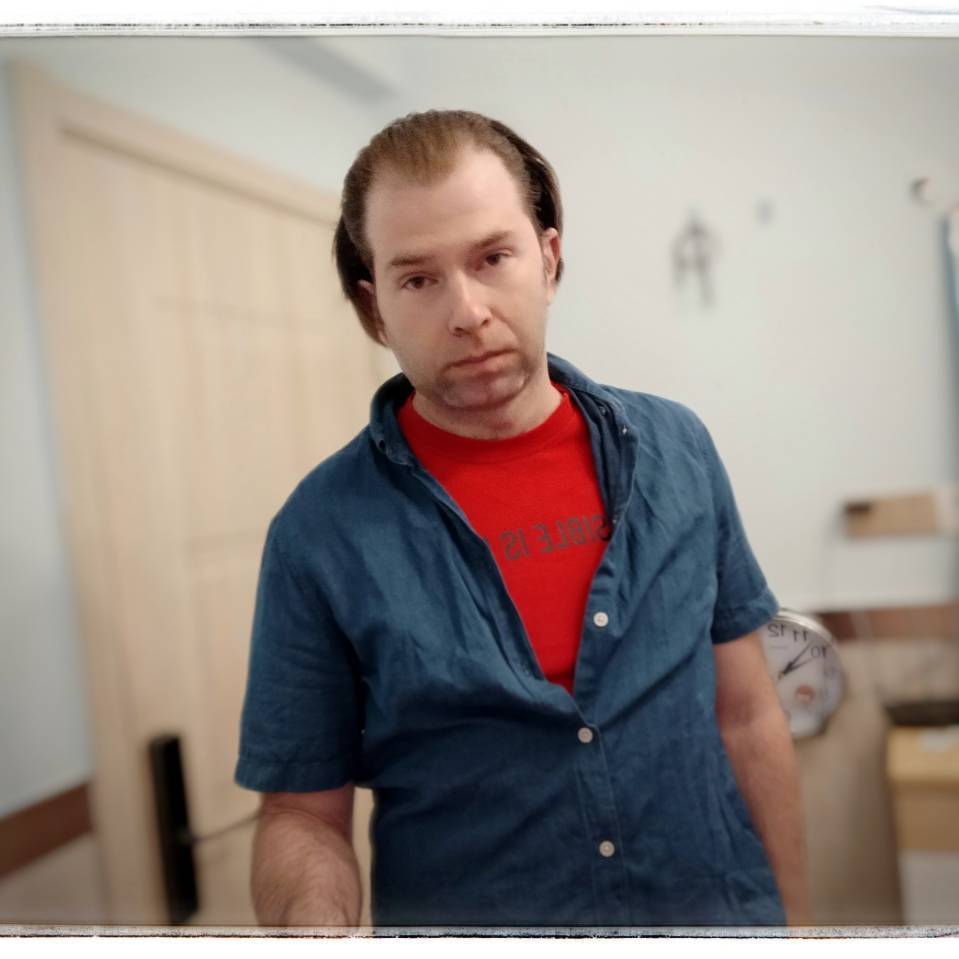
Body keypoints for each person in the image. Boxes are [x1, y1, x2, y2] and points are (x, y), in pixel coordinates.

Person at [234, 109, 811, 932]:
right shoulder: (318, 533)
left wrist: (803, 929)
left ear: (548, 258)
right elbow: (300, 812)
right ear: (374, 308)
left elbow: (748, 716)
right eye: (417, 279)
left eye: (491, 258)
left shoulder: (676, 450)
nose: (466, 311)